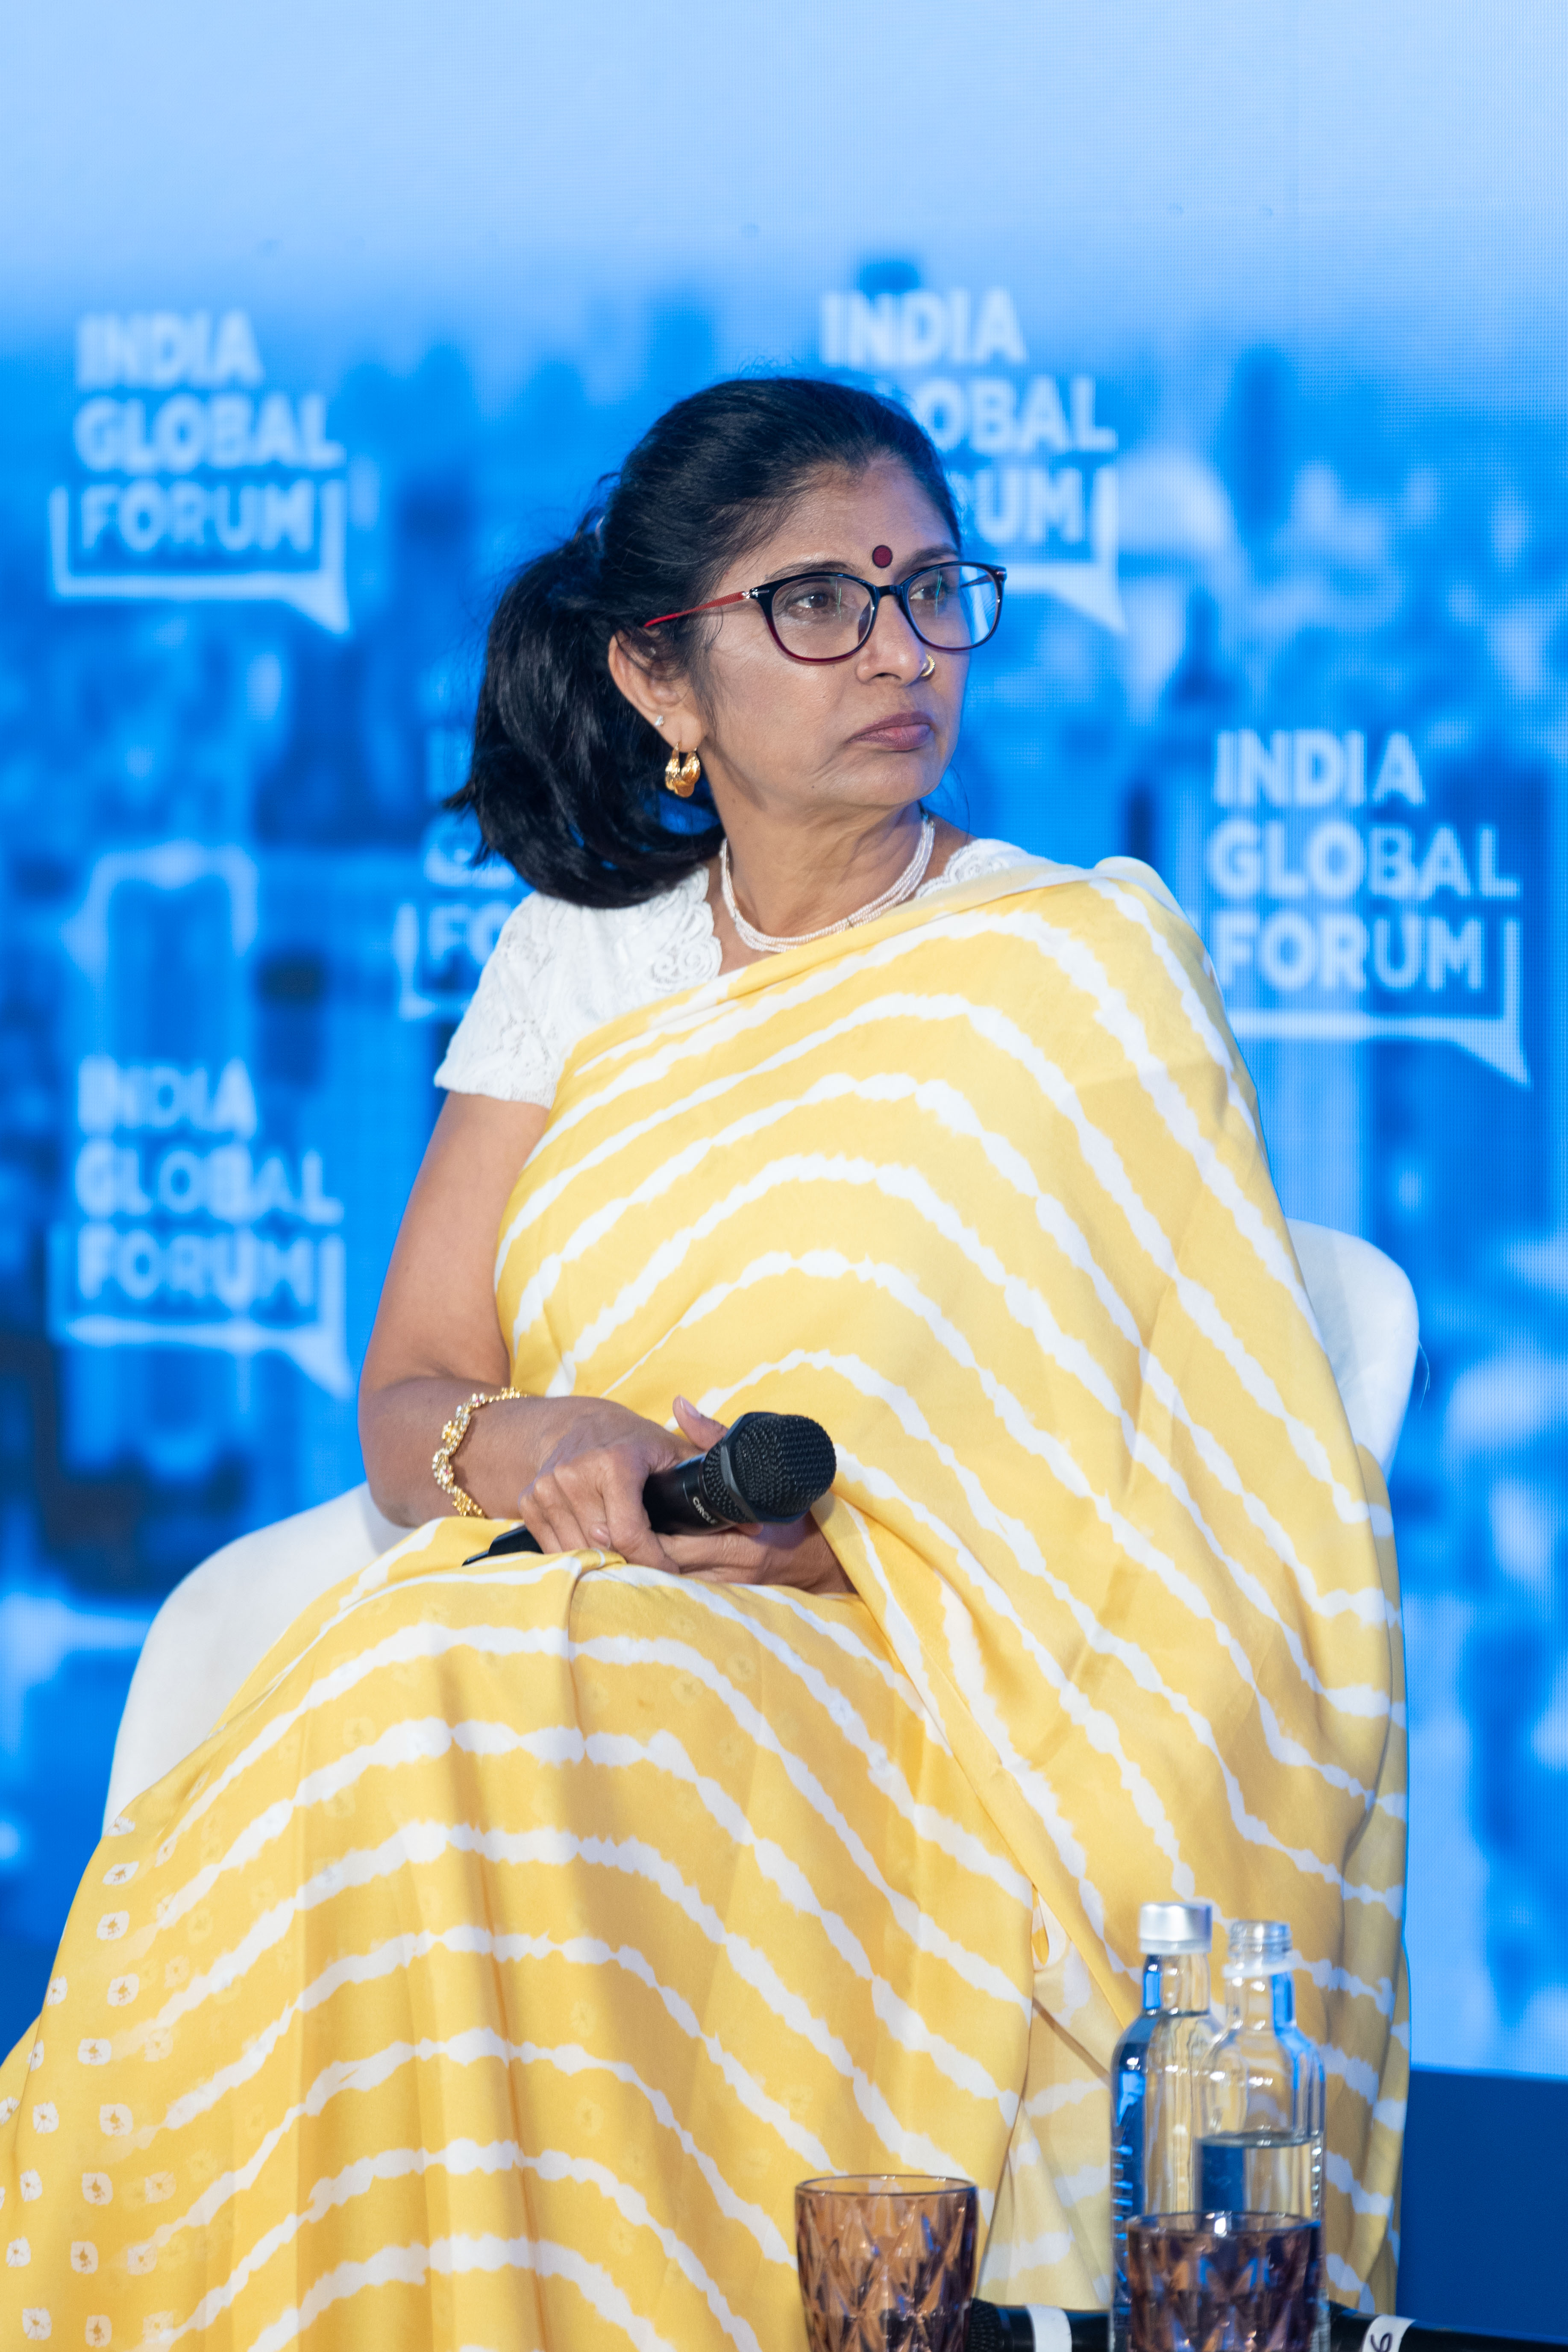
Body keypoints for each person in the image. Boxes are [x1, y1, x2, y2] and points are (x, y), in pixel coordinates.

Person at [1, 379, 1406, 2347]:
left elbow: (1202, 1479)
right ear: (662, 676)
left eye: (932, 591)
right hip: (548, 1613)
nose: (901, 652)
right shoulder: (586, 960)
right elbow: (410, 1395)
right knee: (411, 1688)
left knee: (455, 1694)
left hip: (914, 1701)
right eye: (819, 602)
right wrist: (538, 1448)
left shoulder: (1075, 971)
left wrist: (856, 1548)